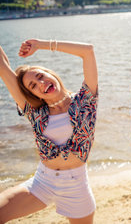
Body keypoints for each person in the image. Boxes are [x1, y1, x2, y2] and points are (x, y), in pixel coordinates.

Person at [0, 39, 98, 223]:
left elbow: (88, 51)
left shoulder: (85, 100)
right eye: (33, 86)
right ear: (33, 95)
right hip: (43, 182)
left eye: (40, 76)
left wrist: (41, 45)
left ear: (50, 73)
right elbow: (2, 67)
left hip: (76, 186)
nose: (41, 84)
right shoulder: (34, 112)